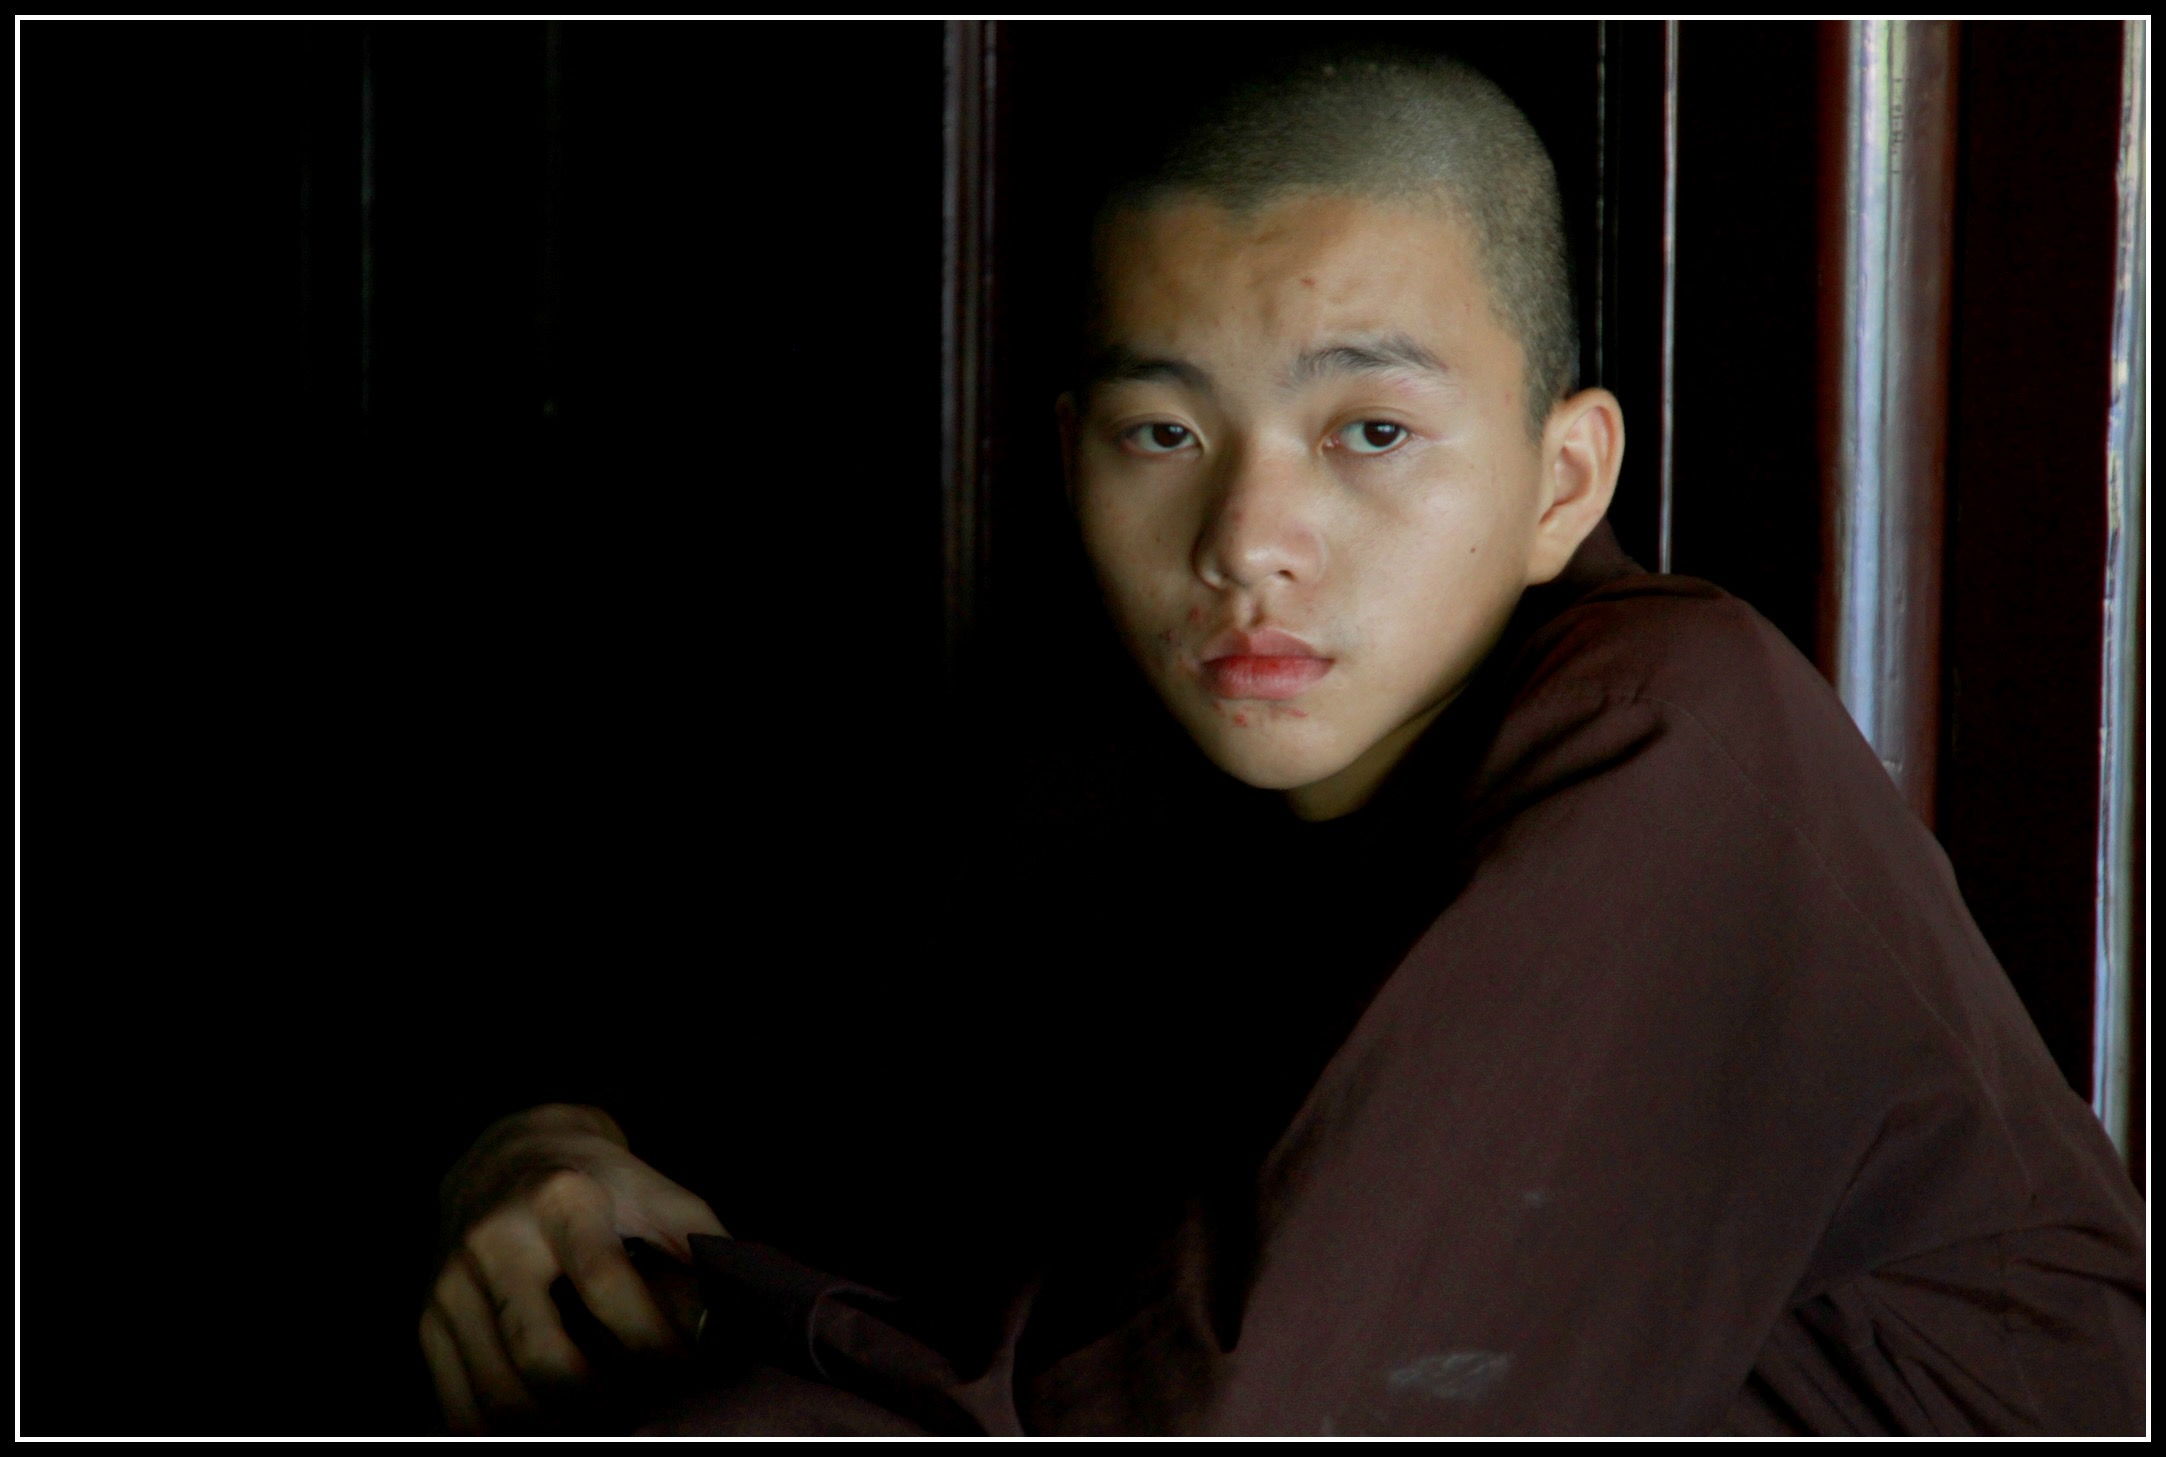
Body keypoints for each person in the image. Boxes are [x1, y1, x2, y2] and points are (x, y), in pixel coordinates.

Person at [416, 48, 2146, 1436]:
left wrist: (703, 1314)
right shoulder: (1143, 765)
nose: (1247, 539)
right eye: (1163, 433)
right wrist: (544, 1154)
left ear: (1562, 480)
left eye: (1369, 430)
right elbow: (781, 1112)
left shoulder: (1666, 738)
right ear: (1069, 460)